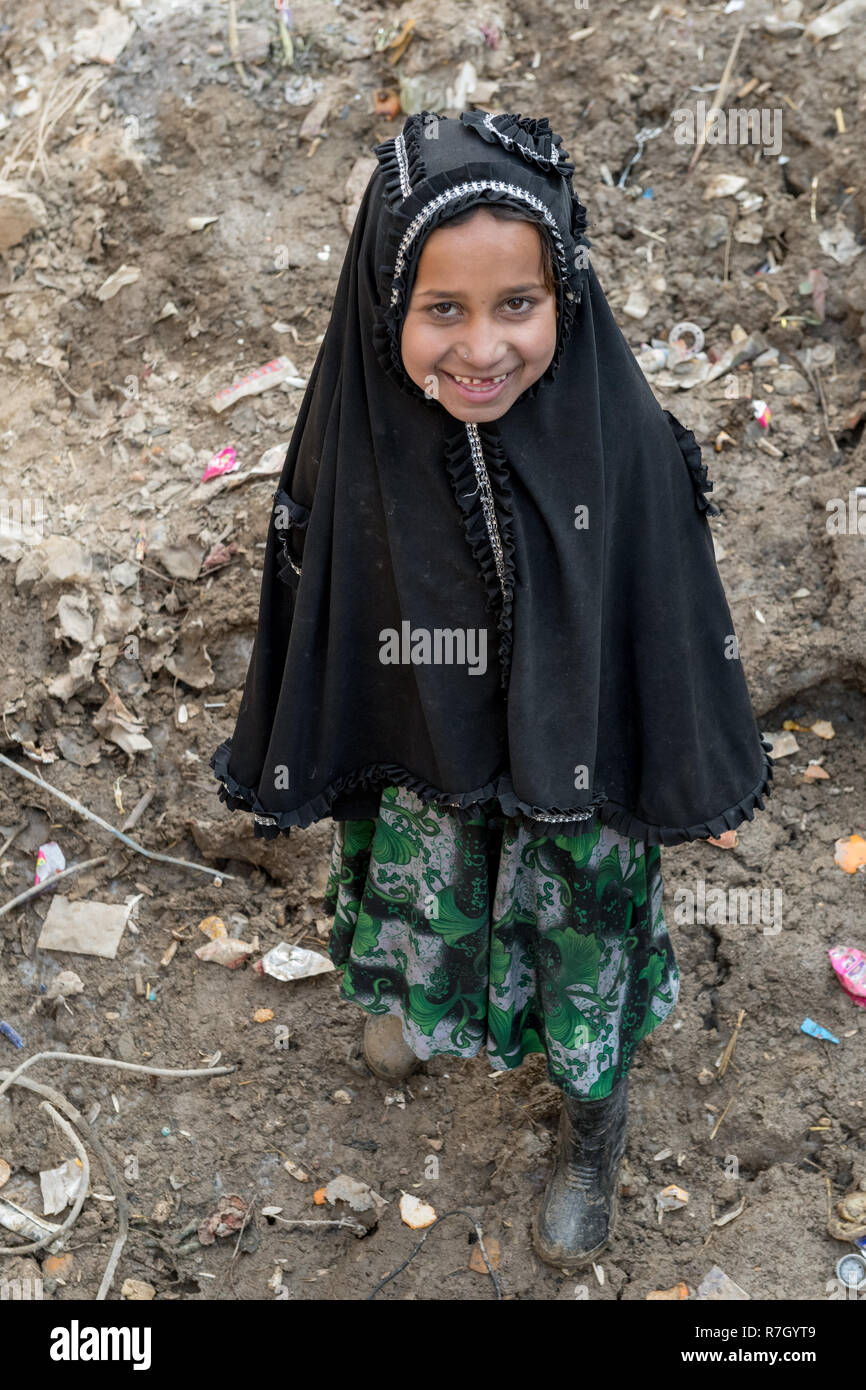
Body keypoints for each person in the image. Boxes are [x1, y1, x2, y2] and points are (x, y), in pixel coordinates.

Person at [210, 108, 773, 1271]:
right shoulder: (356, 438)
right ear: (384, 306)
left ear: (564, 292)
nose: (481, 349)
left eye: (516, 305)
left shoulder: (618, 448)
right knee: (426, 884)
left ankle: (588, 1126)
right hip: (425, 764)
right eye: (440, 311)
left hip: (578, 794)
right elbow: (317, 619)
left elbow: (665, 634)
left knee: (575, 940)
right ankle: (419, 1001)